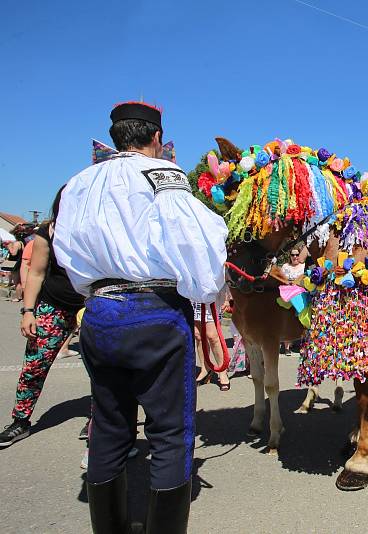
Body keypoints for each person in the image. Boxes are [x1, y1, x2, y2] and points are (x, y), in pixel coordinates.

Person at [53, 101, 228, 534]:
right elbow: (196, 238)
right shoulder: (163, 174)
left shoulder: (79, 182)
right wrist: (207, 292)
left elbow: (66, 249)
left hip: (99, 309)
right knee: (171, 432)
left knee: (110, 427)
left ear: (116, 137)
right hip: (154, 312)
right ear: (155, 138)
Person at [0, 189, 85, 448]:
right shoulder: (47, 231)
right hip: (54, 306)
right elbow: (36, 273)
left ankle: (101, 423)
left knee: (104, 371)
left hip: (90, 306)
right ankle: (20, 421)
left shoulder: (94, 229)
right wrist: (28, 312)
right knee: (34, 366)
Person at [193, 295, 230, 391]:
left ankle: (222, 370)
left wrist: (227, 299)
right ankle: (205, 368)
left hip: (211, 295)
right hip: (194, 295)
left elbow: (224, 279)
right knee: (198, 335)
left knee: (212, 336)